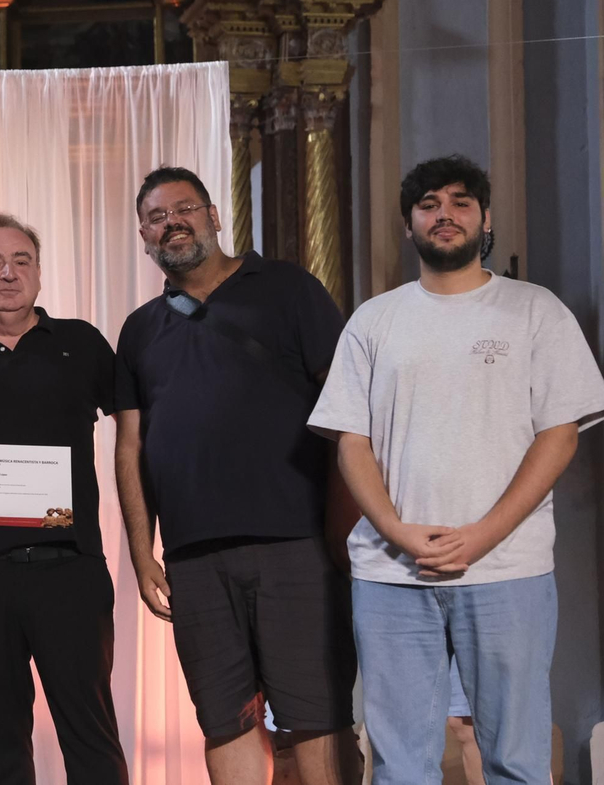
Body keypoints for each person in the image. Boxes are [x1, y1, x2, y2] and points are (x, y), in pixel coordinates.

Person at [309, 155, 604, 785]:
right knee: (400, 768)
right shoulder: (374, 320)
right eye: (429, 205)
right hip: (391, 573)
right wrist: (397, 531)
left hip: (507, 568)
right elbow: (351, 443)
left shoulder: (536, 311)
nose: (445, 214)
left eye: (460, 202)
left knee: (516, 762)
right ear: (408, 224)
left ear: (485, 219)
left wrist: (482, 535)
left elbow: (558, 437)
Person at [112, 167, 360, 784]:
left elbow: (348, 412)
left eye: (184, 208)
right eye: (156, 217)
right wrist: (142, 552)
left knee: (316, 717)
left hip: (296, 545)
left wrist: (348, 529)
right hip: (193, 558)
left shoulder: (289, 289)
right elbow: (130, 446)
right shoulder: (140, 329)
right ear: (143, 235)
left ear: (214, 216)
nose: (172, 222)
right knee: (225, 721)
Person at [0, 213, 129, 785]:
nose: (8, 274)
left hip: (71, 568)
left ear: (38, 272)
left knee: (91, 733)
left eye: (21, 261)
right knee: (0, 739)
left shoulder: (81, 343)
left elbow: (134, 430)